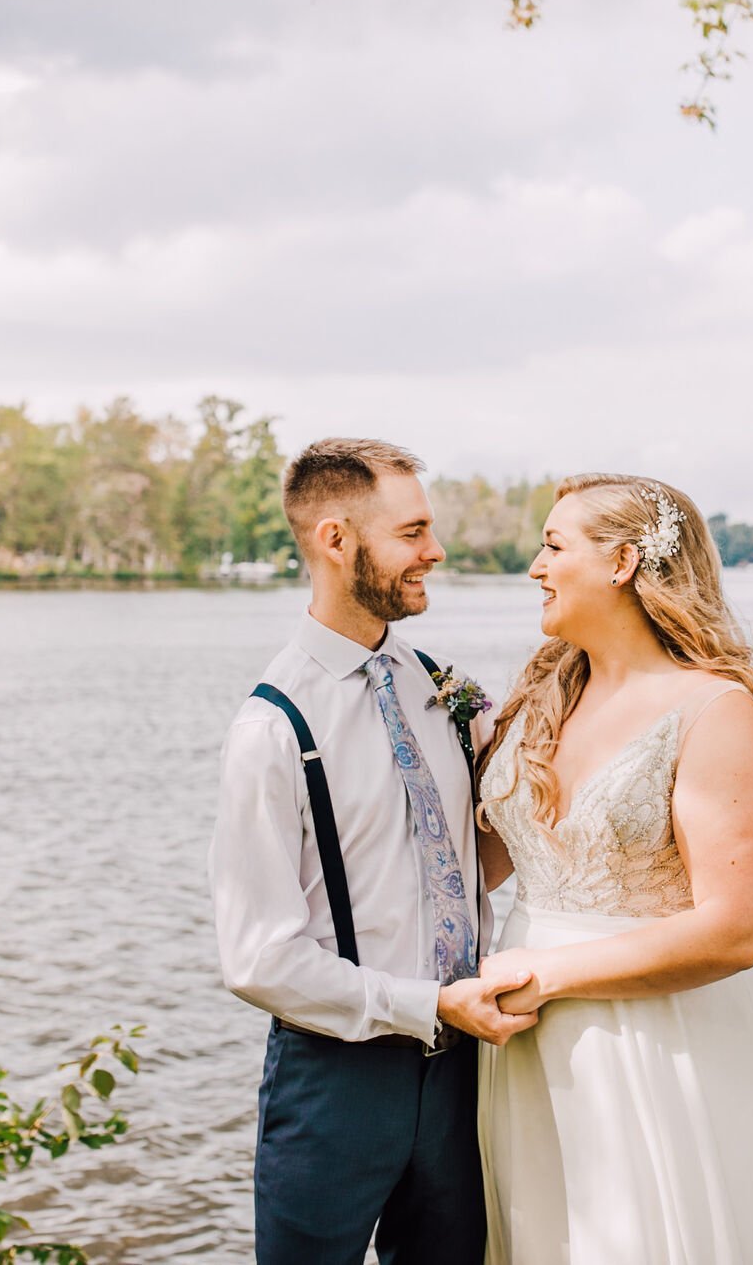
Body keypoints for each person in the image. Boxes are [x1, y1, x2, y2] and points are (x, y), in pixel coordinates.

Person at [475, 472, 753, 1263]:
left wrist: (550, 975)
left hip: (646, 1042)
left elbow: (736, 930)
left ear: (621, 562)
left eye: (554, 546)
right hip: (519, 1041)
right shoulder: (541, 698)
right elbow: (476, 862)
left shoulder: (713, 711)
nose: (535, 567)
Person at [210, 437, 538, 1265]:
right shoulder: (271, 729)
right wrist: (426, 1006)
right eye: (413, 531)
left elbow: (475, 860)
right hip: (335, 1084)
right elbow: (257, 960)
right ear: (335, 540)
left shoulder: (444, 687)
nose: (436, 551)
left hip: (467, 1073)